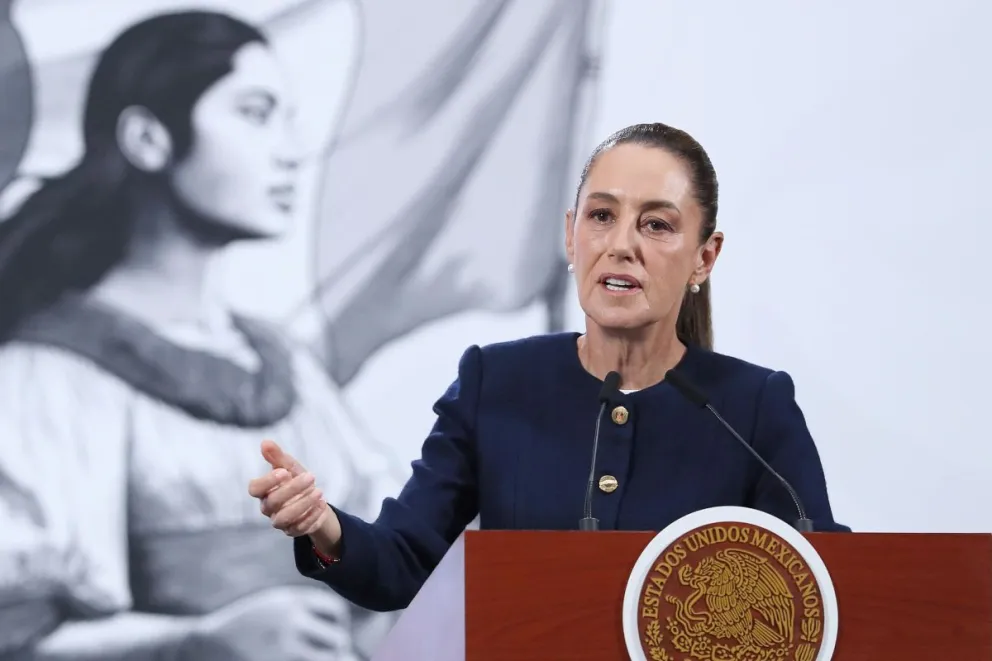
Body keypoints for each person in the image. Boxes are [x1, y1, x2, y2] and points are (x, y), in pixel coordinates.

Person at [249, 122, 849, 614]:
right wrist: (323, 525)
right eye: (602, 216)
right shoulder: (496, 383)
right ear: (571, 235)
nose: (621, 245)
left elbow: (825, 586)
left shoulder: (750, 406)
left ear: (704, 256)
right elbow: (404, 562)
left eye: (657, 225)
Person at [0, 10, 400, 661]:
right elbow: (16, 635)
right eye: (254, 112)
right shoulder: (47, 375)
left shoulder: (286, 368)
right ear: (149, 138)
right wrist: (198, 641)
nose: (291, 148)